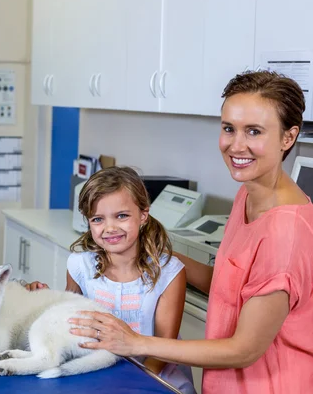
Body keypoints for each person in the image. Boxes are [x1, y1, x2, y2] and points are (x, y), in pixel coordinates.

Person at [69, 70, 313, 393]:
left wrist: (136, 343)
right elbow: (232, 286)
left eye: (253, 131)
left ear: (288, 137)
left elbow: (244, 349)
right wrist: (158, 254)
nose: (236, 145)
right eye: (229, 128)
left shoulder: (286, 232)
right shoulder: (249, 194)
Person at [27, 166, 196, 393]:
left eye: (122, 216)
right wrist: (42, 302)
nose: (110, 228)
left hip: (155, 380)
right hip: (98, 376)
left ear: (143, 214)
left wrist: (130, 387)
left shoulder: (169, 272)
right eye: (98, 219)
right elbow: (70, 322)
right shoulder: (80, 266)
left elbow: (164, 349)